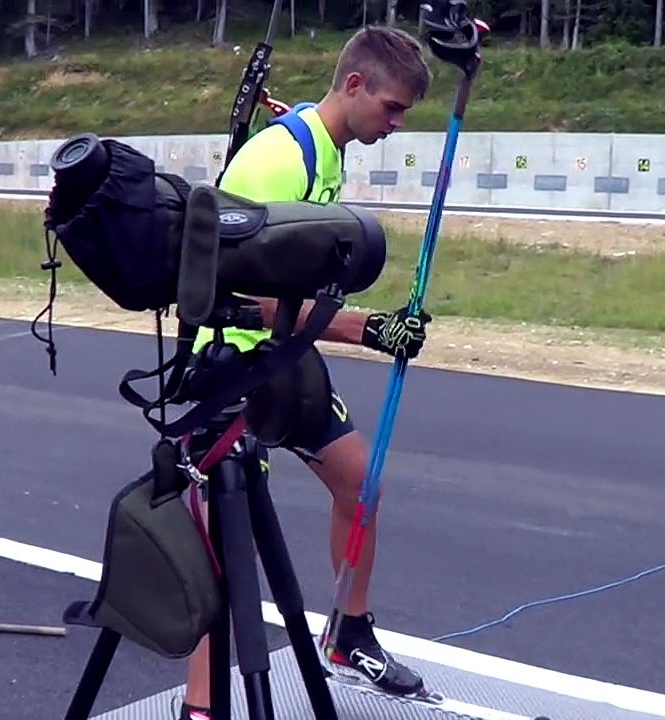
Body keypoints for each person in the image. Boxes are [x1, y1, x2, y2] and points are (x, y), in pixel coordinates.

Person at [175, 24, 436, 720]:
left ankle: (349, 634)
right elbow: (244, 297)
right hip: (230, 367)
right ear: (354, 86)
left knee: (360, 482)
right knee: (226, 544)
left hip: (287, 359)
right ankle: (202, 708)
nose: (397, 123)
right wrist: (369, 328)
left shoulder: (324, 150)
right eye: (392, 108)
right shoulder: (277, 164)